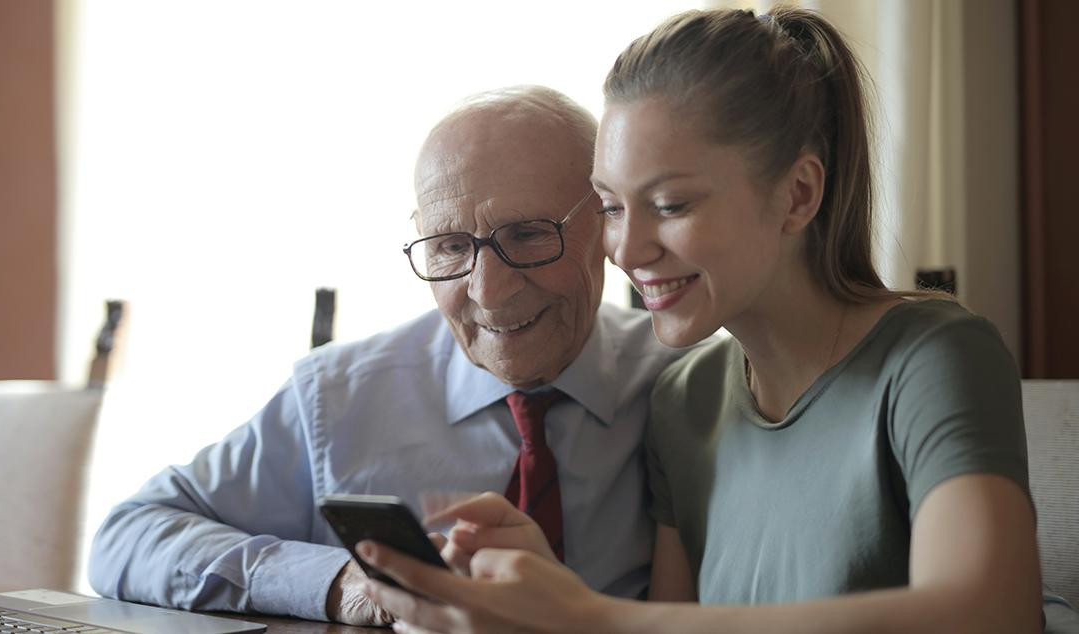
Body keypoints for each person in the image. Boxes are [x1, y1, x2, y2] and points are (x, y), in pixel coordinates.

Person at [358, 8, 1050, 633]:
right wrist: (543, 597)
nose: (626, 251)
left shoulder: (933, 355)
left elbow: (989, 613)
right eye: (613, 207)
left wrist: (588, 615)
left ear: (798, 194)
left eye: (671, 204)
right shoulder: (685, 399)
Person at [87, 85, 687, 626]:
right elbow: (127, 536)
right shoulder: (339, 398)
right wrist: (342, 583)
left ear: (608, 222)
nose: (487, 291)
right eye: (451, 246)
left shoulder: (690, 390)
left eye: (528, 235)